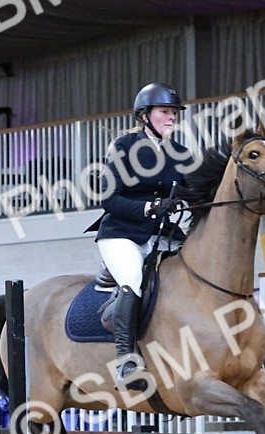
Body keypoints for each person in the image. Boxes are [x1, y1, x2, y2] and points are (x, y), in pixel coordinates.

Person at [93, 82, 191, 390]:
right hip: (122, 233)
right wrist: (150, 207)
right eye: (165, 111)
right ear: (144, 115)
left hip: (163, 233)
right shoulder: (124, 147)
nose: (172, 117)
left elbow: (198, 193)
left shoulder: (181, 153)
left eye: (174, 112)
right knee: (134, 278)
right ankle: (126, 362)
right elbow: (109, 198)